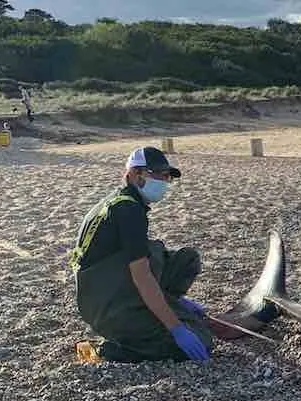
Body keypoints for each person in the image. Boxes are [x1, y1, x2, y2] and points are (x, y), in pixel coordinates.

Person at [69, 146, 212, 364]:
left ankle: (163, 304)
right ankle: (112, 349)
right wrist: (176, 328)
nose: (164, 182)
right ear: (136, 174)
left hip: (102, 290)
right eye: (158, 175)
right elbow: (141, 276)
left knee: (186, 260)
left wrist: (175, 300)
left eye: (167, 177)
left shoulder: (119, 201)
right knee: (201, 340)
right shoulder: (129, 211)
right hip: (107, 306)